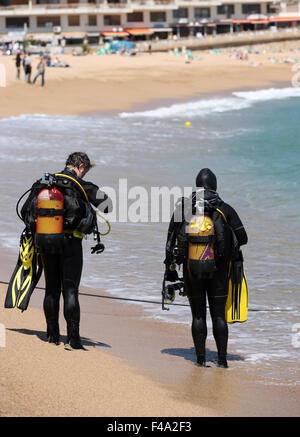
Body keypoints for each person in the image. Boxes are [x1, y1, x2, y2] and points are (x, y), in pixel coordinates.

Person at [20, 152, 113, 350]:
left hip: (46, 241)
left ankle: (52, 335)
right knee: (70, 290)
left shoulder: (44, 183)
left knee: (51, 290)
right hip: (71, 243)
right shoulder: (81, 185)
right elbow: (107, 206)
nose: (84, 175)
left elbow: (24, 211)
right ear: (80, 166)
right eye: (85, 171)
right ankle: (73, 339)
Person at [164, 168, 248, 368]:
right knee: (218, 315)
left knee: (198, 315)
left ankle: (200, 360)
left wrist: (170, 269)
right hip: (219, 269)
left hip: (192, 269)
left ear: (196, 185)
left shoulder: (183, 208)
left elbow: (170, 241)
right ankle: (222, 361)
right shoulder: (225, 209)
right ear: (215, 186)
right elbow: (243, 238)